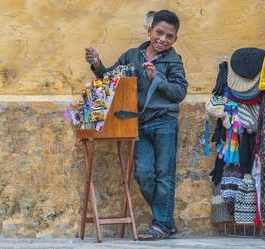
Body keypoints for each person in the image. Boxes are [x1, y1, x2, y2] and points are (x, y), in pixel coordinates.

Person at [85, 10, 187, 240]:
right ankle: (167, 221)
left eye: (169, 36)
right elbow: (111, 79)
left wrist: (156, 79)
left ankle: (161, 224)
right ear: (150, 30)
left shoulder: (173, 61)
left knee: (164, 175)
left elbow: (179, 92)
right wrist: (97, 64)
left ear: (175, 39)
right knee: (143, 173)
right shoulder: (132, 56)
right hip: (137, 124)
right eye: (159, 32)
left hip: (164, 122)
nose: (162, 39)